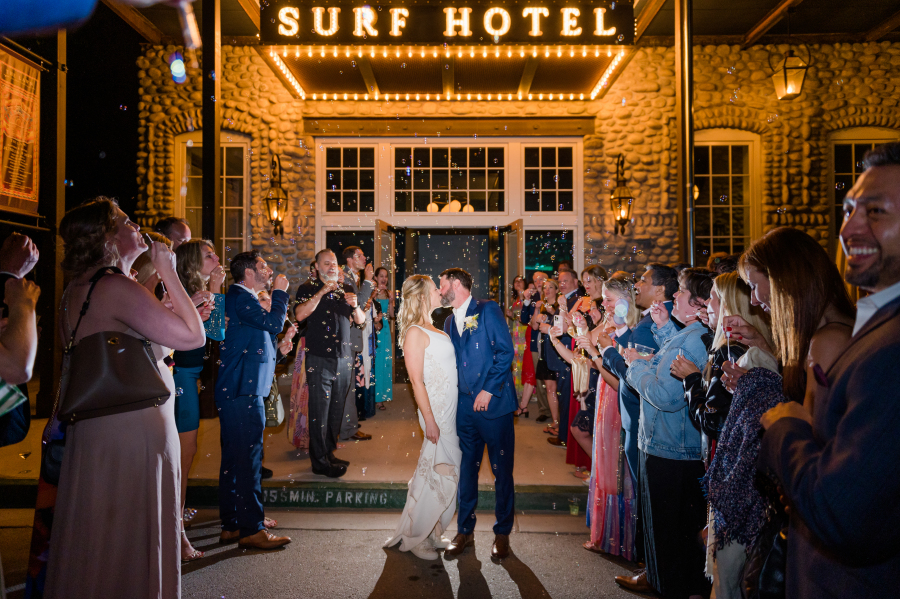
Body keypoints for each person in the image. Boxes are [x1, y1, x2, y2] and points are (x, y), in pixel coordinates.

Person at [757, 144, 900, 599]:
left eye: (875, 211)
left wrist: (786, 427)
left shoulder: (890, 348)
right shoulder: (876, 325)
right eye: (849, 208)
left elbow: (841, 510)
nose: (849, 227)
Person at [44, 197, 206, 598]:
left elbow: (139, 354)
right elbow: (193, 337)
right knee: (132, 532)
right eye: (127, 222)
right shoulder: (115, 286)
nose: (138, 227)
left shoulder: (77, 291)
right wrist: (168, 270)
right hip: (131, 432)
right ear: (106, 236)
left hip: (98, 432)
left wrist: (162, 312)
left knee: (103, 534)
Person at [623, 267, 715, 599]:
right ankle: (661, 582)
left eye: (681, 291)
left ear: (698, 303)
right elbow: (665, 363)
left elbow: (665, 397)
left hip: (673, 452)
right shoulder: (686, 333)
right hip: (664, 445)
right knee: (664, 535)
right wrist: (662, 330)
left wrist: (634, 367)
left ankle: (669, 588)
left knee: (672, 540)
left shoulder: (694, 340)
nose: (673, 294)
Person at [605, 263, 678, 593]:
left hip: (644, 420)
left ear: (660, 290)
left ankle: (654, 571)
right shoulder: (650, 322)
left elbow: (638, 376)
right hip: (640, 419)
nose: (637, 284)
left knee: (651, 501)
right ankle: (654, 567)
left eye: (644, 280)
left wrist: (609, 354)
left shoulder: (652, 325)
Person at [215, 251, 292, 550]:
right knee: (248, 460)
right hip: (242, 391)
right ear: (248, 272)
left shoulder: (239, 299)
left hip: (239, 388)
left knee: (234, 460)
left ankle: (232, 524)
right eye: (262, 265)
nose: (268, 269)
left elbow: (256, 340)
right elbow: (273, 323)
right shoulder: (241, 296)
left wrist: (280, 351)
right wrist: (281, 293)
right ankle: (252, 529)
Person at [440, 267, 518, 562]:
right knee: (467, 470)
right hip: (463, 410)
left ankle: (502, 533)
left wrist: (488, 389)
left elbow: (505, 352)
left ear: (456, 284)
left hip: (494, 408)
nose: (439, 288)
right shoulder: (448, 321)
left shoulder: (487, 309)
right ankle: (464, 530)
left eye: (442, 283)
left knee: (501, 472)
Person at [385, 274, 461, 560]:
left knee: (446, 472)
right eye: (434, 288)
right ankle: (416, 537)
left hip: (451, 411)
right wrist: (429, 420)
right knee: (435, 471)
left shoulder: (435, 327)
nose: (439, 291)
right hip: (436, 413)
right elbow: (416, 381)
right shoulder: (416, 332)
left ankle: (432, 531)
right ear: (421, 295)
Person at [673, 272, 771, 467]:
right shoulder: (734, 347)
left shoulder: (732, 353)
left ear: (727, 304)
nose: (706, 303)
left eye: (712, 297)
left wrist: (691, 379)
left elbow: (714, 422)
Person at [577, 273, 639, 557]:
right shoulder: (614, 326)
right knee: (604, 467)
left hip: (617, 404)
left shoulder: (632, 334)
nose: (606, 306)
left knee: (616, 474)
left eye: (610, 300)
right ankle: (605, 534)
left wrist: (597, 354)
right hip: (604, 400)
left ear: (626, 301)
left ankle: (620, 539)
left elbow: (619, 381)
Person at [171, 239, 225, 561]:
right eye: (209, 255)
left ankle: (173, 525)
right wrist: (208, 295)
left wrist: (215, 290)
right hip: (178, 376)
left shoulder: (203, 292)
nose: (216, 257)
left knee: (184, 456)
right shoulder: (180, 291)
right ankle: (175, 533)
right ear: (192, 262)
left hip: (191, 377)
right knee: (182, 456)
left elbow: (216, 332)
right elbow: (208, 332)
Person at [294, 249, 366, 478]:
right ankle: (319, 462)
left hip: (344, 357)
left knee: (336, 409)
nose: (332, 267)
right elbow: (299, 315)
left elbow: (360, 321)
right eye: (326, 263)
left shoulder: (346, 288)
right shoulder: (307, 288)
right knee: (319, 411)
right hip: (319, 357)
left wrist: (355, 305)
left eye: (334, 263)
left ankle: (329, 452)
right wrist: (323, 290)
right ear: (316, 266)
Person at [543, 266, 583, 448]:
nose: (562, 284)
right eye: (560, 281)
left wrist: (548, 328)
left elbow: (565, 329)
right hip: (561, 354)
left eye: (566, 281)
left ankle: (566, 438)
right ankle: (564, 435)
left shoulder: (577, 300)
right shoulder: (566, 299)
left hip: (568, 353)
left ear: (576, 282)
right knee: (564, 397)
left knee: (567, 399)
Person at [340, 246, 374, 442]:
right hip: (345, 340)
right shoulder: (344, 277)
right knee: (348, 386)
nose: (364, 258)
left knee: (350, 385)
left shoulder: (351, 277)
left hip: (351, 336)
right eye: (360, 256)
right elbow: (357, 303)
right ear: (350, 260)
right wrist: (368, 281)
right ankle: (348, 429)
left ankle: (348, 424)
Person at [520, 271, 552, 421]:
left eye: (541, 279)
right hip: (535, 342)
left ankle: (555, 410)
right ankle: (544, 410)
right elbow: (523, 319)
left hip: (551, 340)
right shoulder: (532, 298)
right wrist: (526, 301)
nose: (538, 282)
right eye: (535, 280)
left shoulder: (553, 296)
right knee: (539, 377)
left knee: (551, 377)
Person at [531, 278, 560, 435]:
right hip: (544, 352)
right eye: (544, 288)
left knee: (559, 389)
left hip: (558, 352)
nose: (547, 290)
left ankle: (561, 422)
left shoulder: (561, 307)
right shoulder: (542, 306)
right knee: (550, 388)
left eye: (550, 287)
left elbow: (563, 328)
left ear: (556, 290)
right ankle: (555, 422)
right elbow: (535, 326)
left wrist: (552, 313)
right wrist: (537, 310)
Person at [505, 275, 533, 414]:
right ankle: (517, 394)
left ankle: (523, 397)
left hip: (524, 332)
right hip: (515, 333)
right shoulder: (514, 299)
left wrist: (513, 316)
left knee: (522, 364)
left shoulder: (526, 297)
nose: (517, 283)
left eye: (520, 281)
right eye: (515, 281)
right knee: (515, 364)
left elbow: (525, 318)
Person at [373, 266, 394, 409]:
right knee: (377, 363)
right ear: (375, 277)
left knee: (385, 363)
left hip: (385, 330)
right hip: (375, 328)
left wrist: (391, 302)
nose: (384, 279)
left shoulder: (389, 293)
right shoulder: (372, 292)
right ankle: (375, 398)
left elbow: (391, 315)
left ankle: (383, 396)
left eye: (386, 276)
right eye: (381, 276)